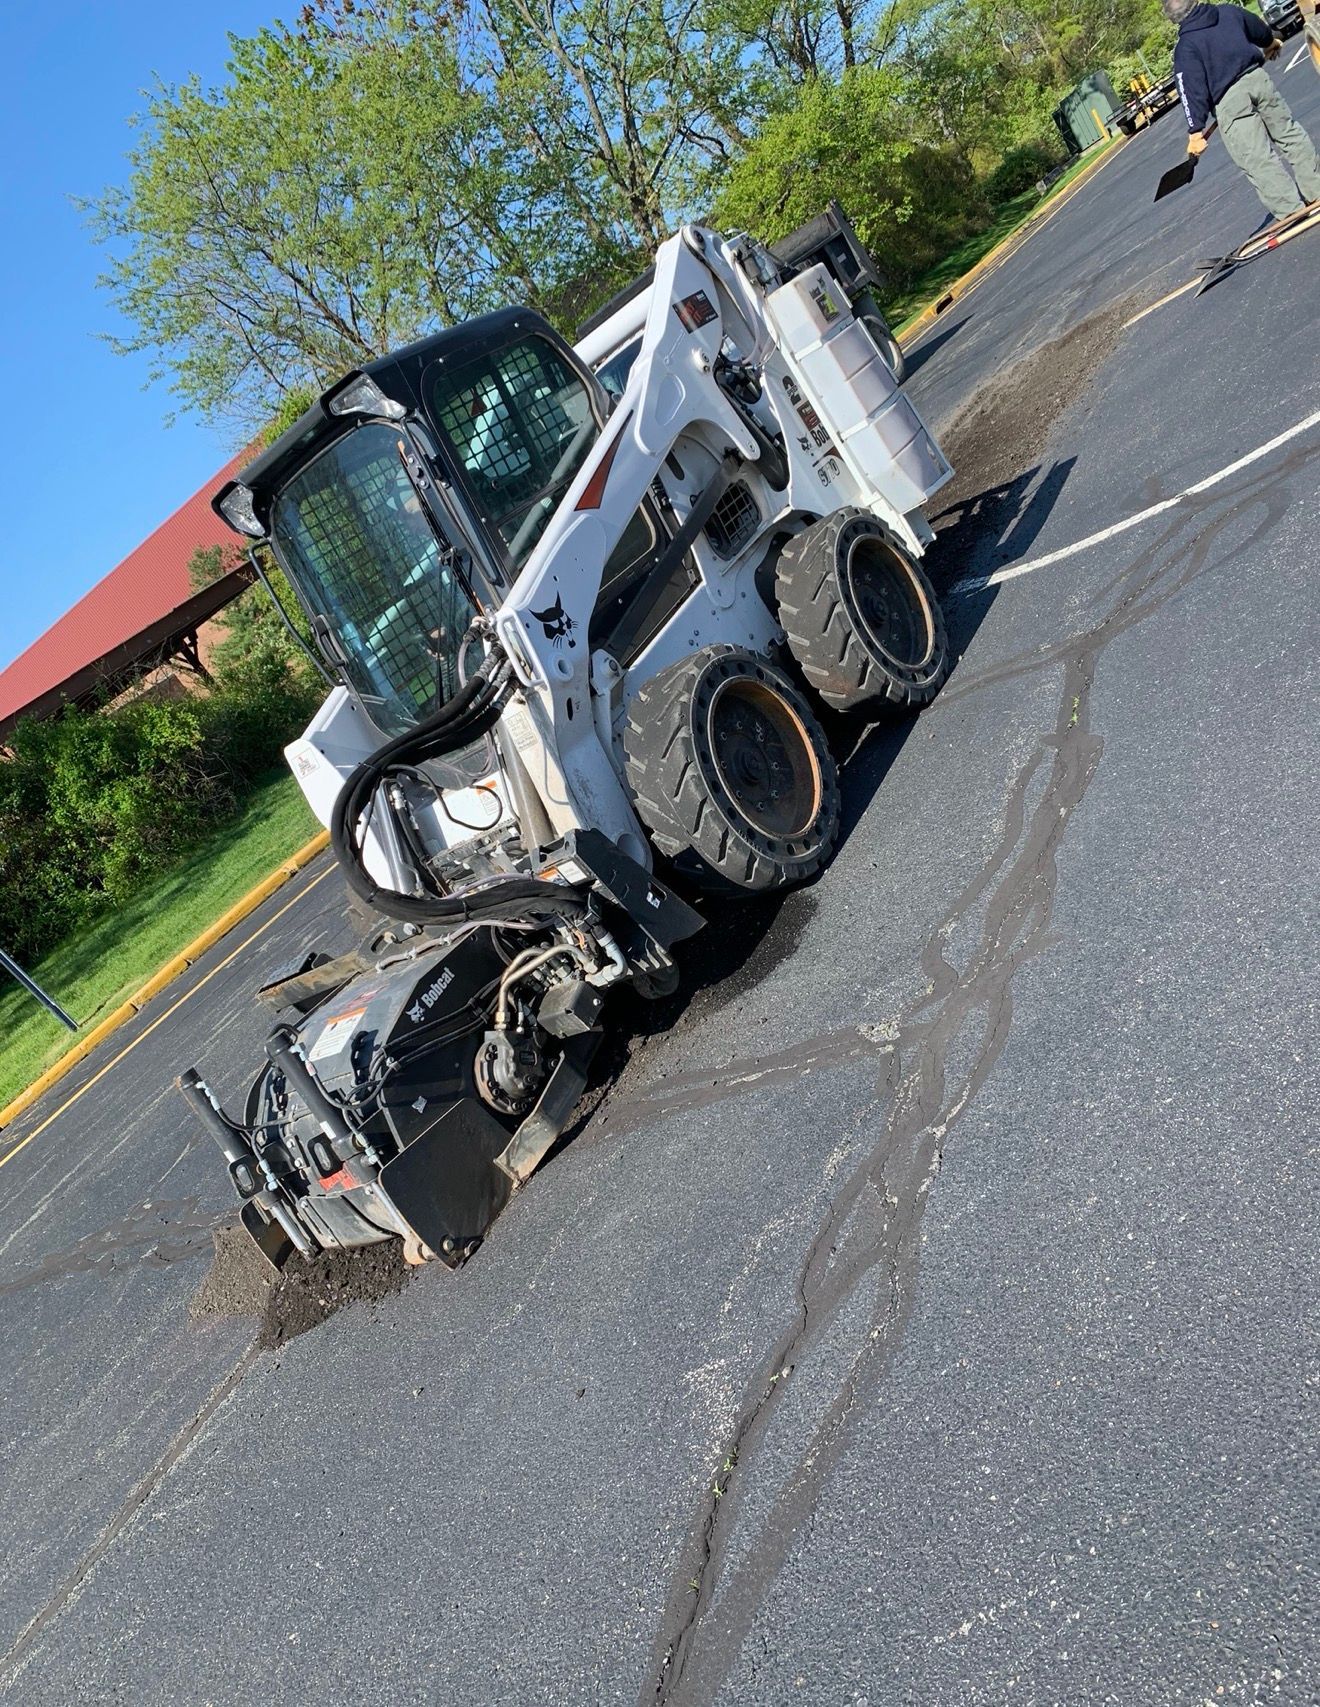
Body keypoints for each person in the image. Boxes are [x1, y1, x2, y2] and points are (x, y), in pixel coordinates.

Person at [1165, 0, 1320, 220]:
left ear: (1174, 20)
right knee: (1290, 135)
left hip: (1230, 103)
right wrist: (1269, 43)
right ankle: (1316, 190)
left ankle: (1291, 210)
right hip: (1258, 81)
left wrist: (1195, 132)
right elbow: (1258, 28)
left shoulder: (1186, 47)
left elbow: (1190, 91)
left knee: (1257, 157)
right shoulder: (1227, 11)